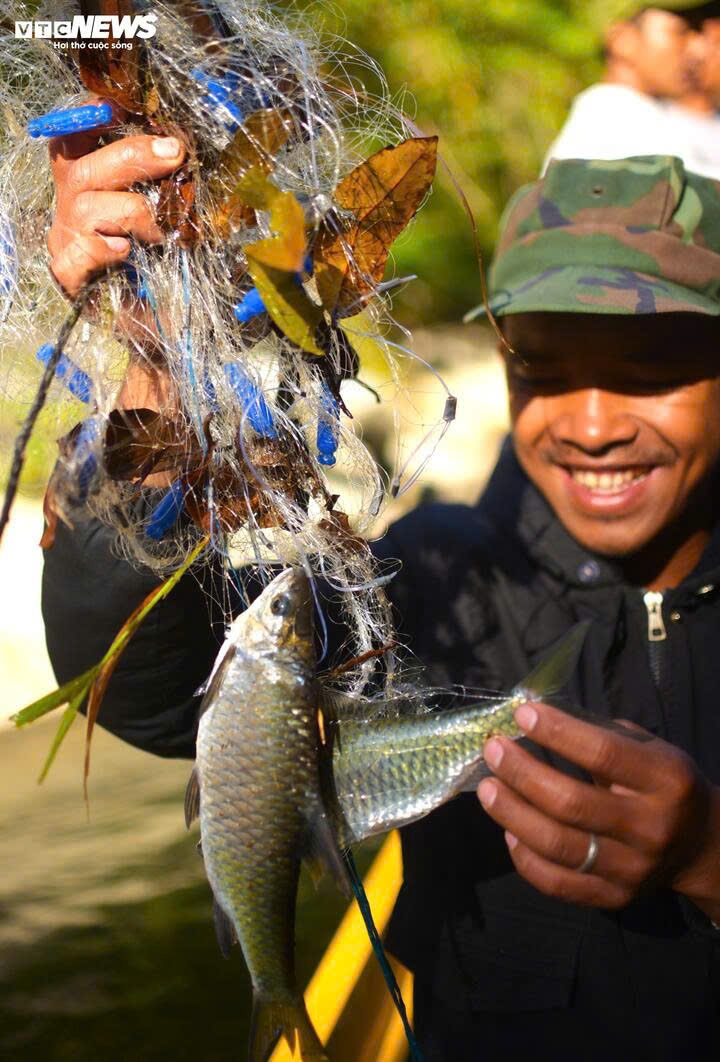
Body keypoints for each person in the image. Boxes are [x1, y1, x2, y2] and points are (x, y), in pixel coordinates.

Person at [42, 145, 720, 1059]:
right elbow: (141, 687)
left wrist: (706, 859)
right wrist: (159, 362)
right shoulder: (430, 581)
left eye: (651, 367)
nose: (593, 424)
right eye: (545, 367)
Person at [544, 3, 720, 180]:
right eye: (681, 32)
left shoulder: (646, 117)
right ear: (622, 41)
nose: (700, 51)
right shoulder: (612, 120)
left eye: (699, 32)